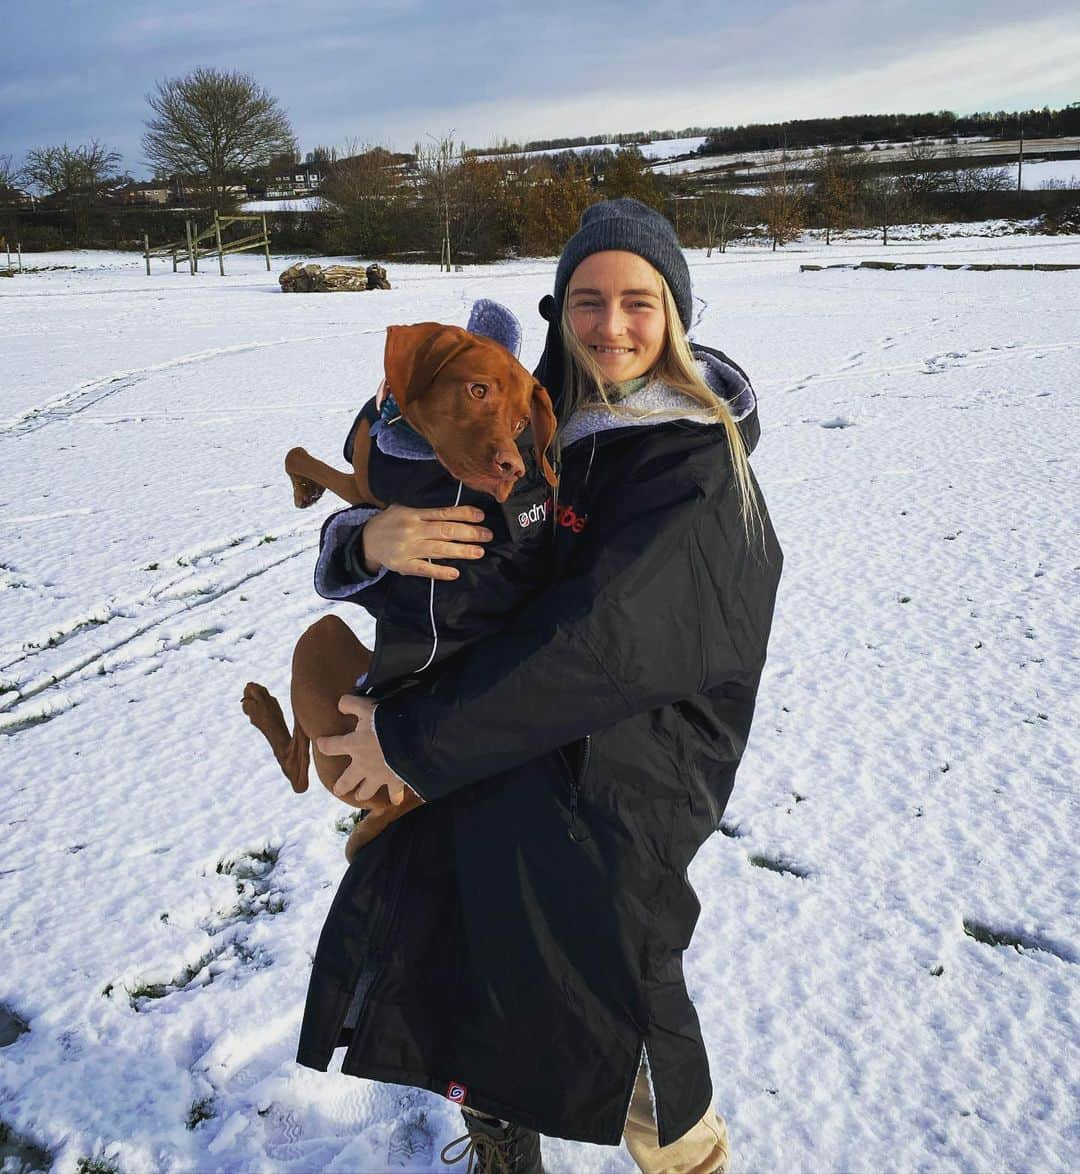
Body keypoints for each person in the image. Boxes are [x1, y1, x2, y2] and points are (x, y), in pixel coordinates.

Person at [297, 198, 783, 1174]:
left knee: (618, 1016)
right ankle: (499, 1141)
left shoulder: (692, 459)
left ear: (675, 314)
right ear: (559, 307)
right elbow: (385, 494)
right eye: (586, 299)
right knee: (464, 960)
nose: (610, 325)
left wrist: (412, 740)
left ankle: (690, 1161)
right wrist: (369, 531)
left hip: (613, 776)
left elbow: (604, 649)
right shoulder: (531, 402)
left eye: (638, 302)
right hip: (501, 749)